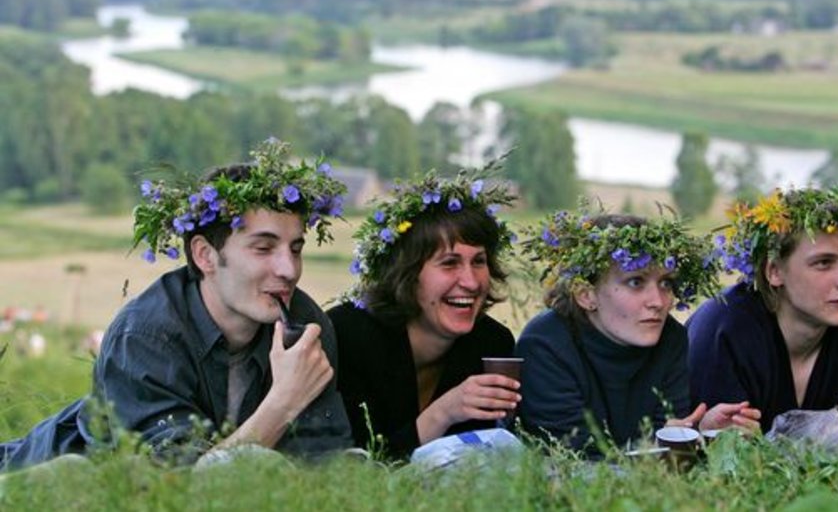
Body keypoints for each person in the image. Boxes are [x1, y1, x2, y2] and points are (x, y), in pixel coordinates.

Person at [0, 139, 353, 471]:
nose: (289, 270)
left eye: (295, 248)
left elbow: (319, 467)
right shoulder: (145, 336)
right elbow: (179, 484)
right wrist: (284, 402)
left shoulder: (306, 326)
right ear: (205, 255)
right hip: (41, 479)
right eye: (263, 248)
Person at [687, 167, 838, 439]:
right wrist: (833, 425)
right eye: (823, 263)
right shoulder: (725, 327)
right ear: (774, 271)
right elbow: (719, 454)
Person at [516, 209, 760, 456]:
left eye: (665, 283)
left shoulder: (670, 337)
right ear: (585, 294)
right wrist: (659, 447)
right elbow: (575, 458)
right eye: (636, 282)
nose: (658, 301)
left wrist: (699, 434)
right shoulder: (545, 344)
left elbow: (662, 444)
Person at [328, 168, 520, 460]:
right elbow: (356, 466)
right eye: (449, 263)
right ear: (407, 273)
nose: (470, 281)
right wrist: (445, 411)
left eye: (479, 261)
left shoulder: (492, 344)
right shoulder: (350, 336)